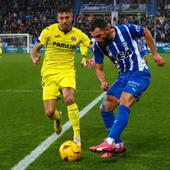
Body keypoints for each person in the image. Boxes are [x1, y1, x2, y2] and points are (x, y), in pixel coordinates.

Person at [88, 18, 165, 158]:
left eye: (98, 36)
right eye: (94, 37)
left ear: (108, 28)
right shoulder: (98, 45)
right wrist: (102, 81)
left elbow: (145, 32)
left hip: (139, 72)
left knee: (125, 100)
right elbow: (98, 68)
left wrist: (155, 54)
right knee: (105, 107)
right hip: (123, 76)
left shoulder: (125, 30)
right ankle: (117, 146)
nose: (97, 40)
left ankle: (109, 141)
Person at [31, 5, 92, 146]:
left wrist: (94, 57)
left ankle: (77, 136)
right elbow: (35, 48)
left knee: (69, 98)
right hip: (49, 73)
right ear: (57, 18)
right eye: (61, 18)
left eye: (67, 18)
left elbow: (94, 46)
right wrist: (34, 57)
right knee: (49, 113)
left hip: (67, 72)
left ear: (72, 17)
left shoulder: (78, 34)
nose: (64, 21)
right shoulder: (48, 31)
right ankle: (58, 118)